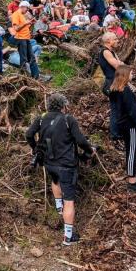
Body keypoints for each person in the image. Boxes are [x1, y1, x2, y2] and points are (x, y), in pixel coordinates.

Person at [25, 93, 95, 245]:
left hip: (49, 163)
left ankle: (59, 209)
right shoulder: (68, 119)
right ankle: (68, 237)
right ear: (63, 106)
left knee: (55, 181)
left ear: (49, 106)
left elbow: (29, 134)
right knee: (69, 200)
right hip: (66, 166)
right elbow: (81, 141)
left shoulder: (42, 118)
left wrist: (34, 148)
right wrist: (90, 151)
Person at [108, 65, 136, 192]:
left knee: (130, 150)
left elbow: (114, 111)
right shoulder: (126, 91)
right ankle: (131, 181)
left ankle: (133, 175)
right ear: (125, 75)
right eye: (131, 73)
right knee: (132, 152)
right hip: (130, 125)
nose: (132, 75)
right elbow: (132, 111)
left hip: (122, 124)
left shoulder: (114, 90)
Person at [97, 32, 124, 140]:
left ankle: (117, 132)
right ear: (109, 41)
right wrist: (121, 63)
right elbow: (118, 65)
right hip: (112, 83)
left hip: (115, 82)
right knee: (116, 109)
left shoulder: (111, 52)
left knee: (118, 108)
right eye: (115, 39)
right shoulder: (105, 51)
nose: (118, 41)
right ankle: (115, 134)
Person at [10, 0, 39, 78]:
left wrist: (30, 23)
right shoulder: (16, 14)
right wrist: (25, 23)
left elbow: (24, 27)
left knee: (32, 58)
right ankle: (24, 77)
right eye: (27, 8)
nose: (27, 11)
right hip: (20, 39)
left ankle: (36, 76)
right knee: (24, 59)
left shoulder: (22, 15)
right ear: (22, 7)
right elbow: (16, 28)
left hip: (26, 38)